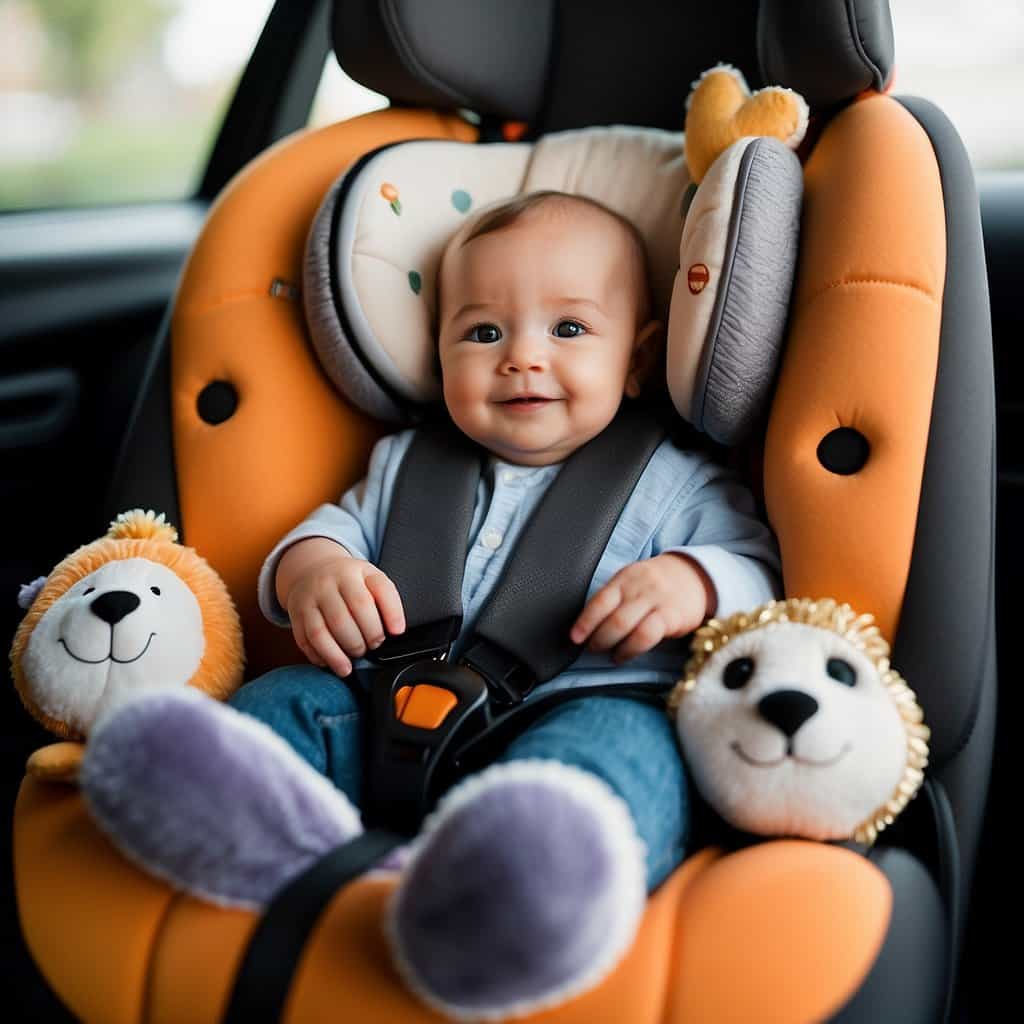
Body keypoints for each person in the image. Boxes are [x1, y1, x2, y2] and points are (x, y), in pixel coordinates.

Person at [83, 190, 780, 1019]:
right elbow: (329, 533)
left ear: (637, 357)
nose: (521, 357)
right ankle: (224, 815)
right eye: (483, 332)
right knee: (287, 702)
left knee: (627, 750)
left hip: (579, 707)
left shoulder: (677, 480)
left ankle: (524, 882)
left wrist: (694, 583)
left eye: (568, 329)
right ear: (438, 350)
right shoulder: (408, 464)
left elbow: (760, 576)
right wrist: (314, 572)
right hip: (386, 714)